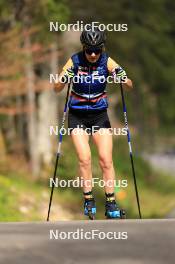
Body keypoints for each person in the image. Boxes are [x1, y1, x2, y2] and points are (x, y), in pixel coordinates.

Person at [54, 26, 133, 219]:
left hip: (99, 116)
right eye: (88, 50)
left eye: (96, 50)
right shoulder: (74, 60)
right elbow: (56, 88)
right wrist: (63, 79)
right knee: (84, 158)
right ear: (83, 47)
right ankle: (88, 201)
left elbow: (130, 84)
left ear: (102, 48)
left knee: (106, 160)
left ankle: (111, 204)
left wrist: (122, 78)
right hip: (77, 116)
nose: (92, 54)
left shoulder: (107, 61)